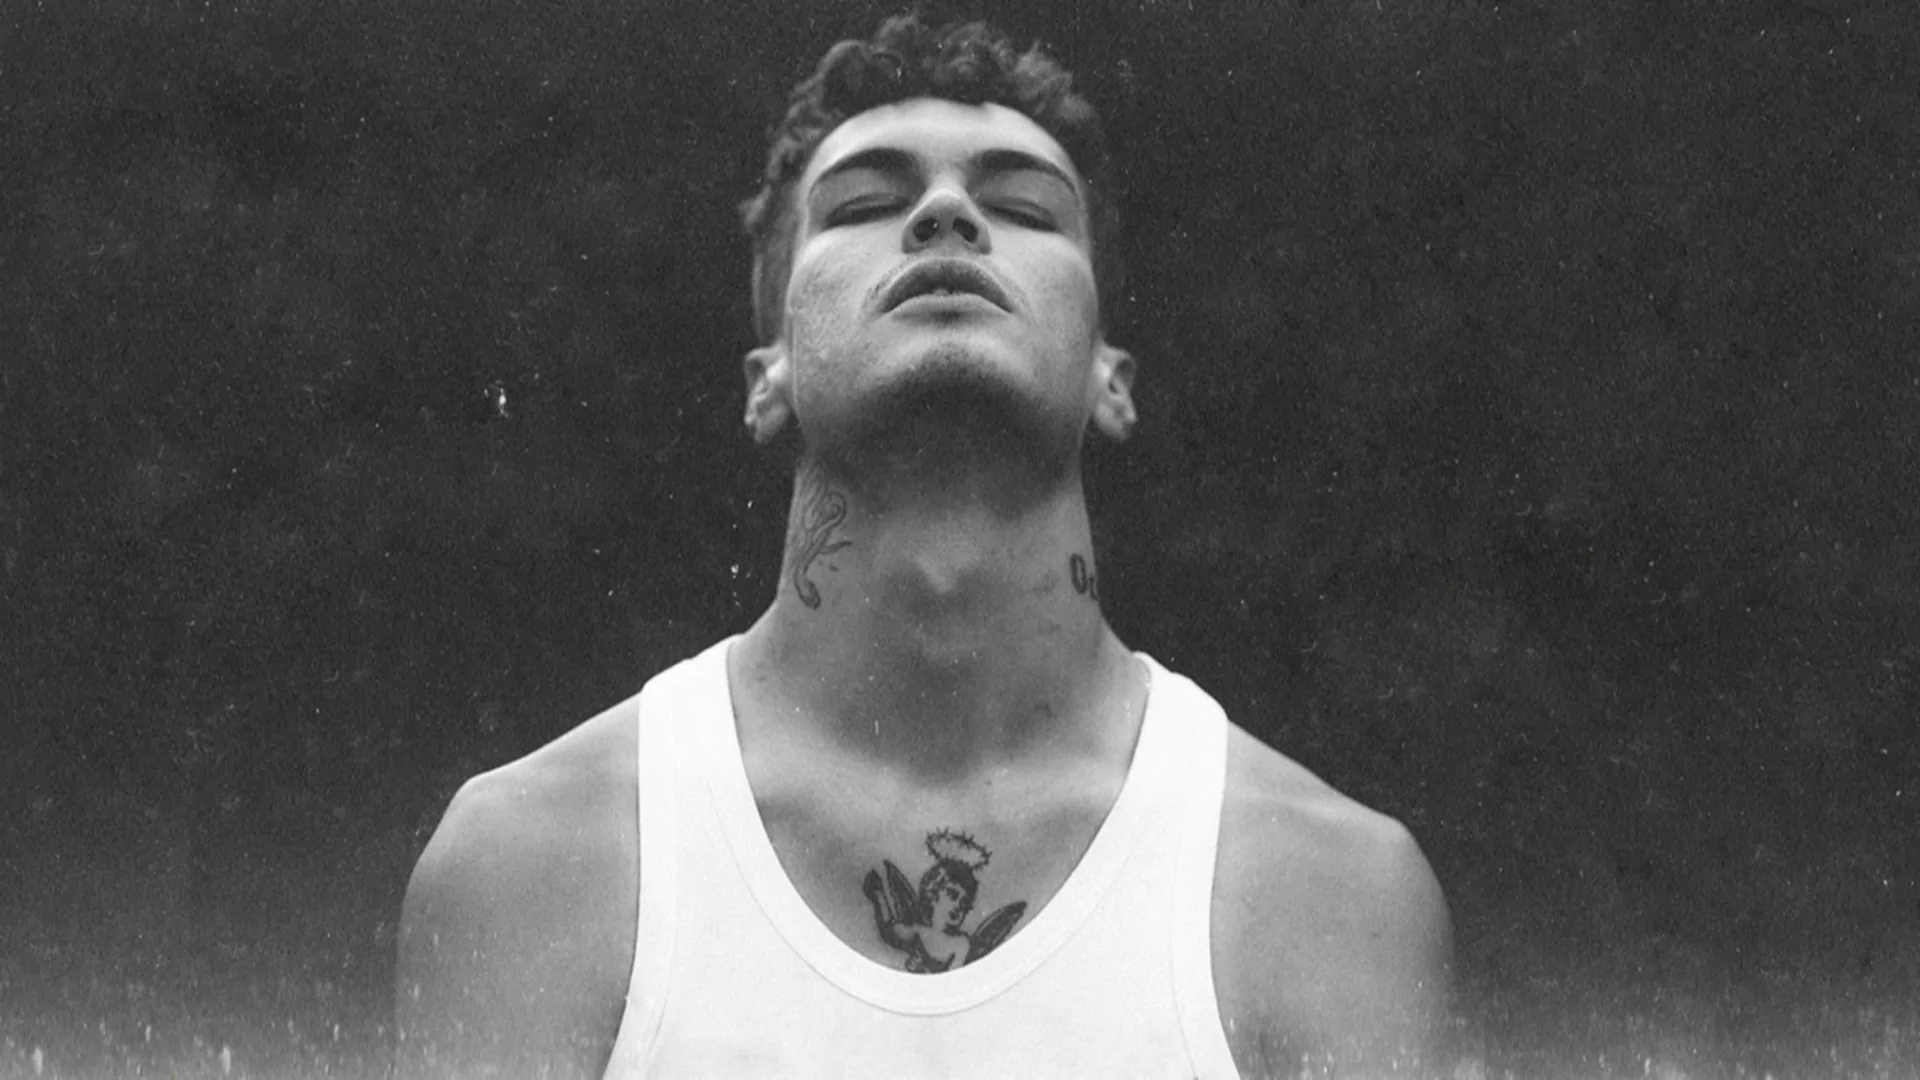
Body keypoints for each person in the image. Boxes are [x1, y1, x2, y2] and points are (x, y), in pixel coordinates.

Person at [392, 13, 1453, 1079]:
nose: (947, 213)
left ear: (1111, 378)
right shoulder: (532, 865)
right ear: (767, 376)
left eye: (1024, 207)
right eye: (863, 203)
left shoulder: (1331, 895)